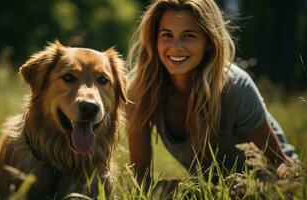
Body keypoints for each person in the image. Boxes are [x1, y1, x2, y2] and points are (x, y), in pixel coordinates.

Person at [126, 0, 297, 183]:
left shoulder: (236, 87)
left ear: (208, 42)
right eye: (167, 35)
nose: (176, 46)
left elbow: (280, 165)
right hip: (210, 187)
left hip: (267, 182)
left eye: (189, 36)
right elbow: (141, 177)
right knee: (163, 191)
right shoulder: (140, 90)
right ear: (154, 40)